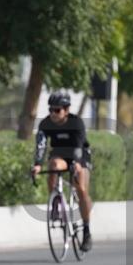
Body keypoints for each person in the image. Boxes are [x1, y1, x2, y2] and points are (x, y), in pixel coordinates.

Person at [31, 91, 93, 251]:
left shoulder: (76, 122)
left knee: (81, 188)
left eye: (57, 110)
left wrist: (77, 163)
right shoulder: (45, 124)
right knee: (52, 166)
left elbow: (79, 146)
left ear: (66, 110)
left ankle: (86, 230)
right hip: (59, 155)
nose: (53, 113)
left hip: (79, 155)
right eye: (51, 109)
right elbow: (41, 145)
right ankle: (55, 203)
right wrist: (37, 164)